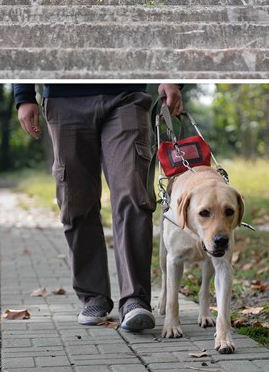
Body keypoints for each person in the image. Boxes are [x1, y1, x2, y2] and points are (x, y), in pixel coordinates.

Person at [13, 83, 183, 330]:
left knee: (133, 194)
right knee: (75, 201)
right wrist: (24, 94)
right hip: (64, 96)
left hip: (126, 92)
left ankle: (135, 299)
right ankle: (93, 296)